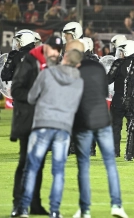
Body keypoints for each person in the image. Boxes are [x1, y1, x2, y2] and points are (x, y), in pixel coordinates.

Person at [17, 48, 84, 218]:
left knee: (31, 169)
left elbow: (32, 97)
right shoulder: (79, 81)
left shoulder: (47, 74)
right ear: (78, 64)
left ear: (64, 58)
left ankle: (23, 209)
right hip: (63, 129)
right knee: (59, 172)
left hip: (42, 125)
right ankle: (55, 211)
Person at [70, 40, 129, 218]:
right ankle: (117, 205)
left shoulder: (73, 72)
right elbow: (104, 91)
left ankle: (85, 209)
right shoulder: (97, 67)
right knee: (110, 164)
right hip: (102, 120)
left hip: (85, 122)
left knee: (84, 166)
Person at [9, 35, 63, 217]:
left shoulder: (54, 65)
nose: (56, 54)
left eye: (58, 51)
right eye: (53, 50)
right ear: (46, 48)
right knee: (25, 162)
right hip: (27, 120)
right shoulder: (30, 61)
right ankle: (18, 206)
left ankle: (35, 205)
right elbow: (16, 89)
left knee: (38, 165)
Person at [107, 40, 134, 158]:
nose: (120, 54)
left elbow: (108, 79)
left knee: (115, 126)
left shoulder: (118, 63)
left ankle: (115, 151)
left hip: (118, 99)